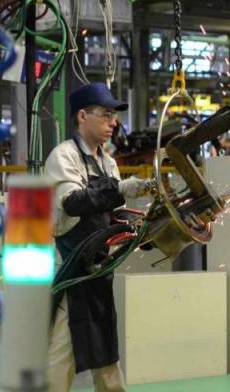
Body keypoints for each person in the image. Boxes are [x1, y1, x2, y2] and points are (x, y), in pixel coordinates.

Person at [45, 83, 152, 392]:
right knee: (64, 349)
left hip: (98, 270)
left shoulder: (107, 162)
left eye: (113, 116)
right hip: (71, 268)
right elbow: (73, 202)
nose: (113, 122)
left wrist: (144, 225)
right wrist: (119, 189)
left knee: (105, 344)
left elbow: (111, 216)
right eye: (105, 114)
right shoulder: (63, 156)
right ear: (82, 116)